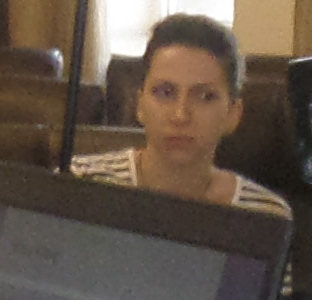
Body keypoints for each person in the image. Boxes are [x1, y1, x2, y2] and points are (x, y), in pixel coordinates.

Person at [70, 12, 295, 221]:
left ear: (232, 114)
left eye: (205, 97)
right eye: (165, 93)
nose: (180, 115)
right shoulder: (79, 182)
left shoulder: (265, 215)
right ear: (139, 104)